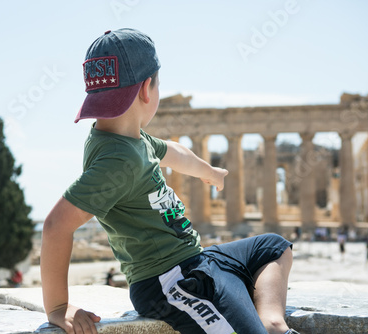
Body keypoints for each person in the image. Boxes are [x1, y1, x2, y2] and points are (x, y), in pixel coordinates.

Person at [41, 28, 298, 334]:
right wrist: (58, 307)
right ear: (147, 89)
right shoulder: (119, 160)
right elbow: (56, 226)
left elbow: (173, 152)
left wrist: (209, 172)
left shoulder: (130, 139)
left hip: (197, 260)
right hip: (170, 282)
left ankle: (271, 321)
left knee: (273, 246)